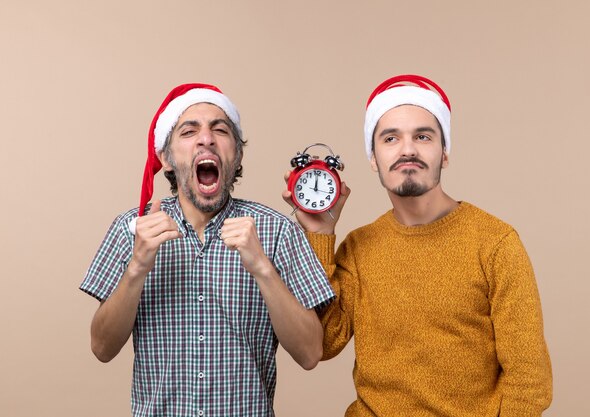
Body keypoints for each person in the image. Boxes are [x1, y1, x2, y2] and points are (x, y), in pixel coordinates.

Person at [283, 74, 552, 416]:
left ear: (444, 152)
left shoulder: (496, 243)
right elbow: (324, 342)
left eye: (423, 136)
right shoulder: (358, 248)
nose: (407, 149)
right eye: (390, 138)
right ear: (373, 158)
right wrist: (320, 235)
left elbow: (529, 383)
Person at [80, 83, 334, 416]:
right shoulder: (132, 229)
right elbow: (102, 348)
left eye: (220, 129)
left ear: (236, 154)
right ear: (166, 159)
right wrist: (138, 266)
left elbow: (310, 353)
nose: (206, 139)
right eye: (189, 131)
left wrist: (261, 267)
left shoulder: (277, 231)